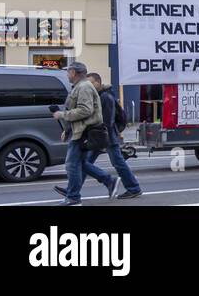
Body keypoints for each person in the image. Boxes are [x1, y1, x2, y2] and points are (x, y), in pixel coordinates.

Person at [57, 72, 142, 201]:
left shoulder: (106, 97)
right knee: (84, 162)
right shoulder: (97, 95)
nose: (89, 86)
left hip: (105, 136)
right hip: (98, 135)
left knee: (117, 163)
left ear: (98, 82)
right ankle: (73, 190)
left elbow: (107, 120)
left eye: (91, 83)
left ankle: (133, 188)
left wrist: (103, 138)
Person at [53, 62, 115, 205]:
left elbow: (85, 110)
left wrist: (62, 115)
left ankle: (73, 197)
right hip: (79, 131)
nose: (67, 75)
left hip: (84, 132)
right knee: (78, 163)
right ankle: (108, 180)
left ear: (74, 72)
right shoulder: (80, 87)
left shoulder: (84, 87)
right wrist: (67, 130)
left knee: (71, 164)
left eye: (68, 72)